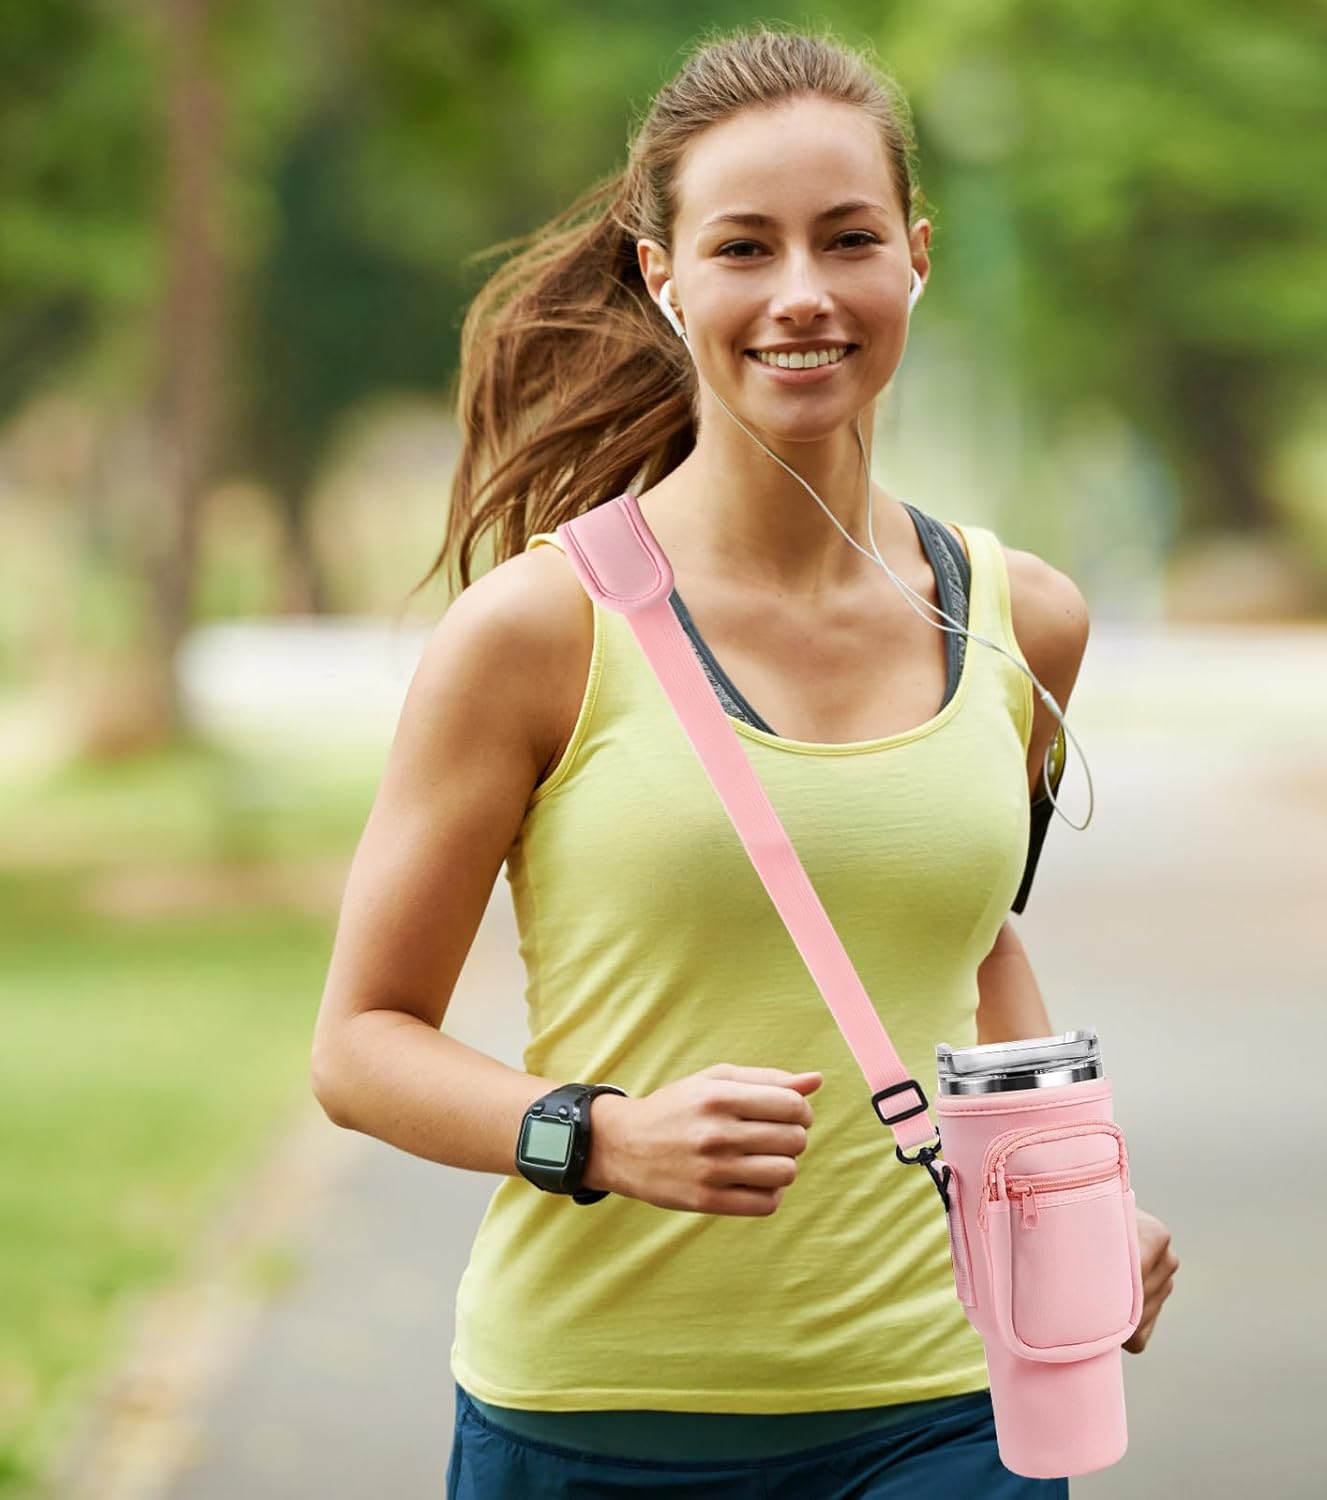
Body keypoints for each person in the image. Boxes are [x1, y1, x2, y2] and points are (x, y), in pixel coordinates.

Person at [309, 23, 1178, 1500]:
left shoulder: (1022, 618)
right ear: (664, 278)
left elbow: (971, 947)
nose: (801, 295)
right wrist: (600, 1137)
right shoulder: (537, 631)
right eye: (741, 248)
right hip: (592, 1420)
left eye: (847, 241)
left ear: (915, 255)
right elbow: (359, 1044)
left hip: (946, 1403)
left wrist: (1077, 1189)